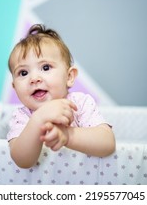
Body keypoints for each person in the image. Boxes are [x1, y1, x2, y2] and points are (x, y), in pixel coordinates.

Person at [7, 24, 115, 168]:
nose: (34, 78)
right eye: (23, 73)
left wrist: (67, 135)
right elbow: (22, 161)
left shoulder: (80, 103)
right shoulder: (22, 116)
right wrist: (38, 118)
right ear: (14, 87)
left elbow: (107, 143)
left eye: (45, 67)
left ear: (69, 77)